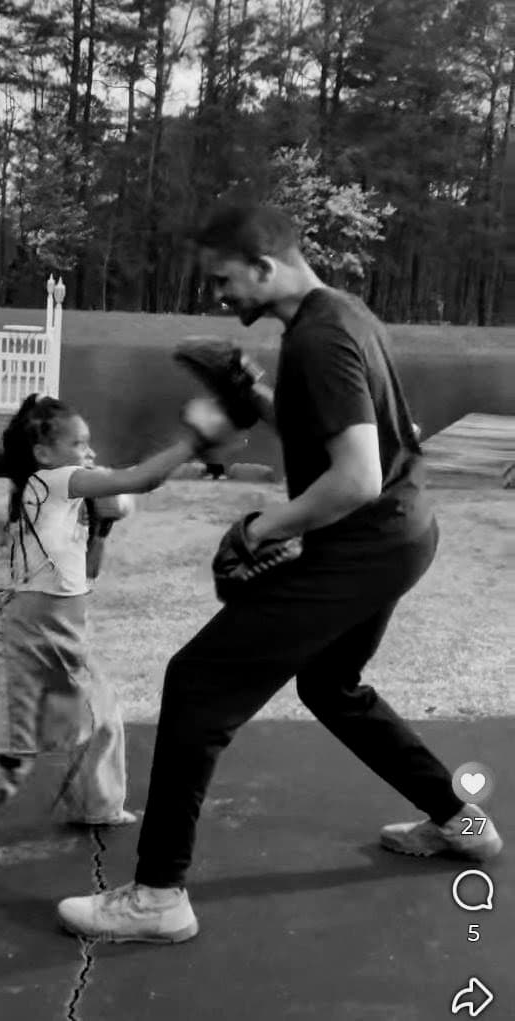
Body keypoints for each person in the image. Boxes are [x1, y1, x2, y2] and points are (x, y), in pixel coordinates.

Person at [57, 203, 503, 944]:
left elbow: (355, 476)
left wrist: (260, 527)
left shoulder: (320, 337)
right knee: (332, 685)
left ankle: (159, 894)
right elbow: (348, 435)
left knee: (198, 681)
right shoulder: (340, 315)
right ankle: (460, 817)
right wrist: (250, 396)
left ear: (264, 267)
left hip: (365, 539)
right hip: (402, 532)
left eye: (223, 279)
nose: (218, 296)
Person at [0, 392, 234, 906]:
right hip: (28, 638)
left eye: (91, 444)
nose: (89, 454)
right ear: (44, 454)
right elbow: (140, 480)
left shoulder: (65, 498)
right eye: (80, 444)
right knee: (6, 759)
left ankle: (96, 805)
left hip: (65, 635)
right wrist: (193, 441)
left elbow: (87, 573)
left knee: (103, 717)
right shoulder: (51, 482)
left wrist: (103, 527)